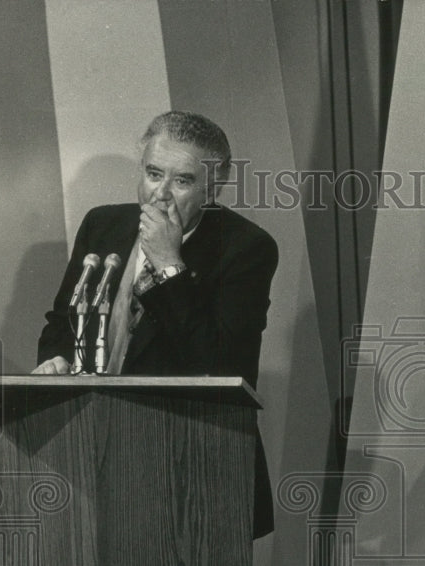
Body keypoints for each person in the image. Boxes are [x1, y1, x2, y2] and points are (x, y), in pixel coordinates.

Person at [32, 110, 278, 536]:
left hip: (190, 471)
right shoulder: (103, 224)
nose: (160, 194)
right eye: (152, 173)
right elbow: (63, 321)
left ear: (213, 187)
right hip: (92, 450)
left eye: (181, 181)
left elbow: (223, 366)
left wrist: (168, 265)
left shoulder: (246, 249)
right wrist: (55, 359)